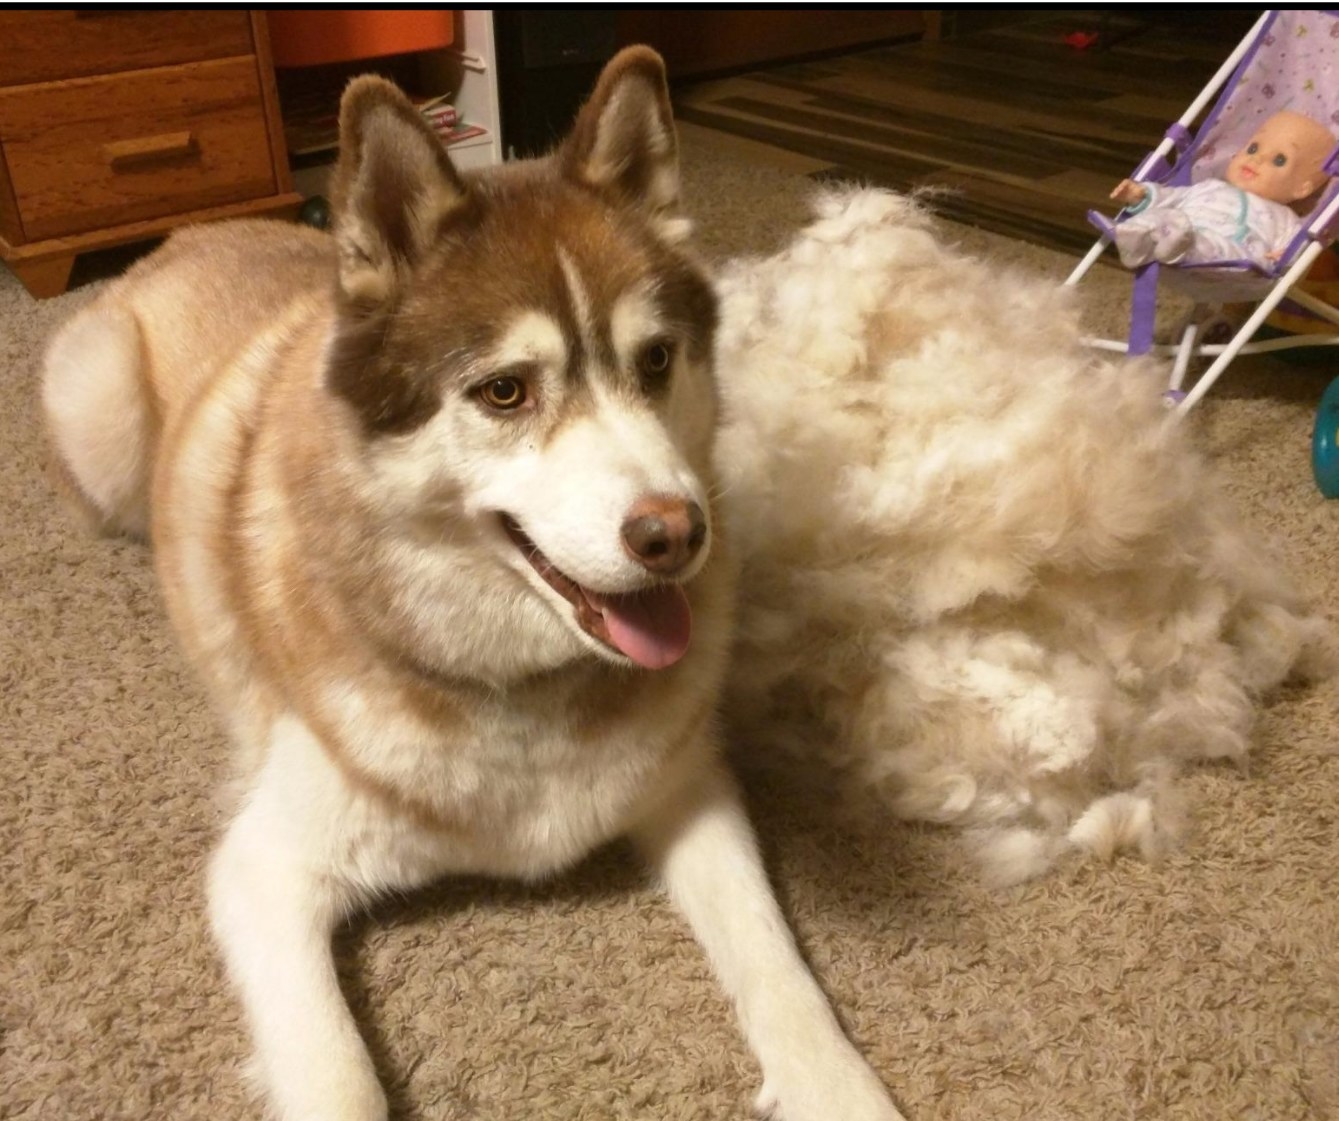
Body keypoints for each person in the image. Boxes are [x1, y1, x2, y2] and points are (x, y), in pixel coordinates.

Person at [1106, 109, 1335, 270]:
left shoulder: (1285, 218)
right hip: (1177, 225)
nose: (1257, 159)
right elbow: (1171, 197)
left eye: (1279, 160)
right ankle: (1136, 240)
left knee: (1221, 250)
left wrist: (1287, 254)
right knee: (1160, 216)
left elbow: (1298, 243)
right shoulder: (1209, 187)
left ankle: (1178, 245)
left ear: (1302, 188)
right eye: (1253, 148)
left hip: (1229, 257)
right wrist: (1142, 196)